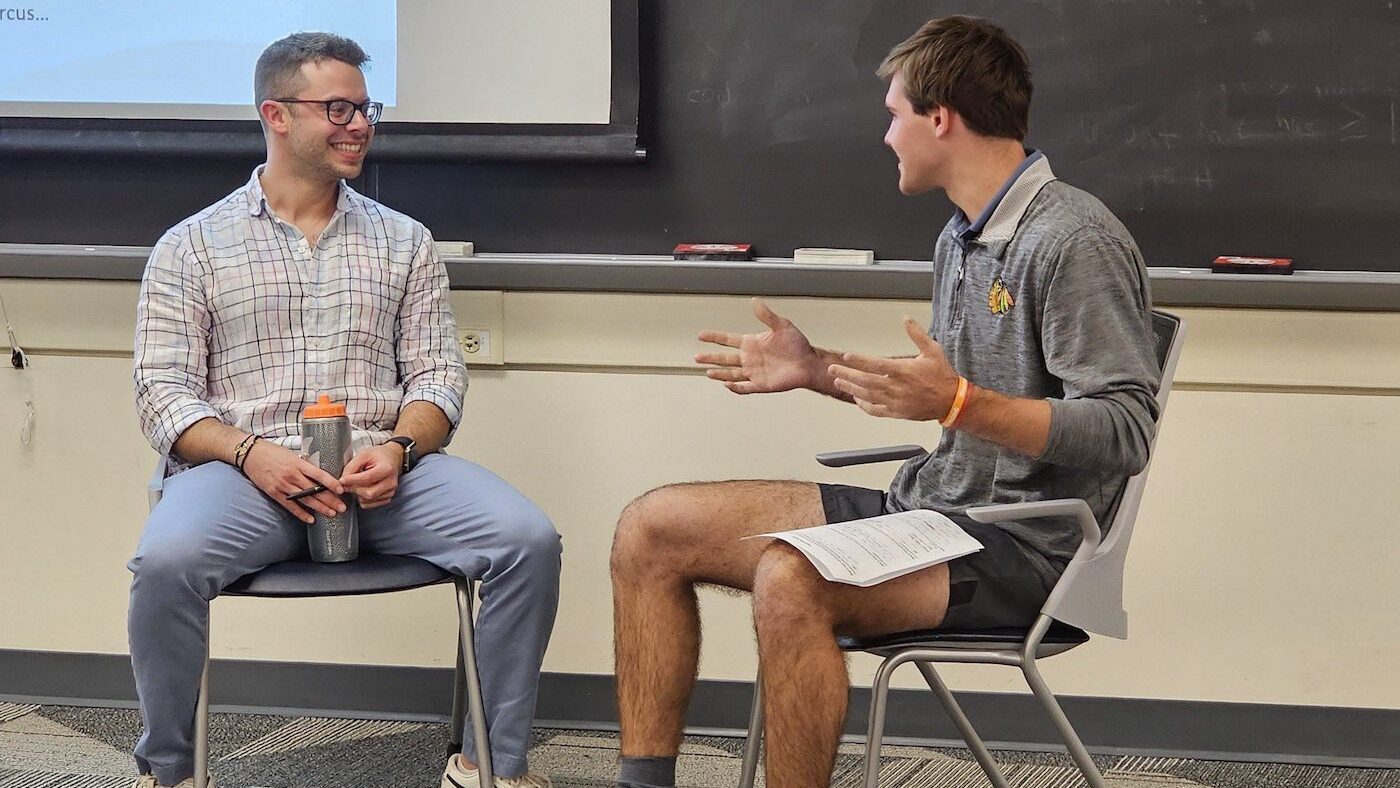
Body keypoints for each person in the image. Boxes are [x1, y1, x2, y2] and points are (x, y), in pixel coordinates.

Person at [608, 15, 1161, 788]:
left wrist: (962, 404)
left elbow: (1125, 430)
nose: (888, 136)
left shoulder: (1071, 240)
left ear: (942, 118)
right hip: (933, 515)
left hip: (1026, 548)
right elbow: (933, 393)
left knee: (789, 577)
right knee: (650, 528)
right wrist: (815, 368)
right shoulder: (964, 235)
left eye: (896, 115)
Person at [129, 32, 559, 788]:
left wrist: (397, 450)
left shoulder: (406, 243)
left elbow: (437, 382)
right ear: (276, 115)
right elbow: (162, 396)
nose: (359, 124)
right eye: (338, 108)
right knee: (166, 562)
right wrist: (251, 455)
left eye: (365, 108)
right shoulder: (190, 247)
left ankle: (488, 764)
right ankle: (169, 772)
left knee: (526, 540)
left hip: (381, 472)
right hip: (244, 472)